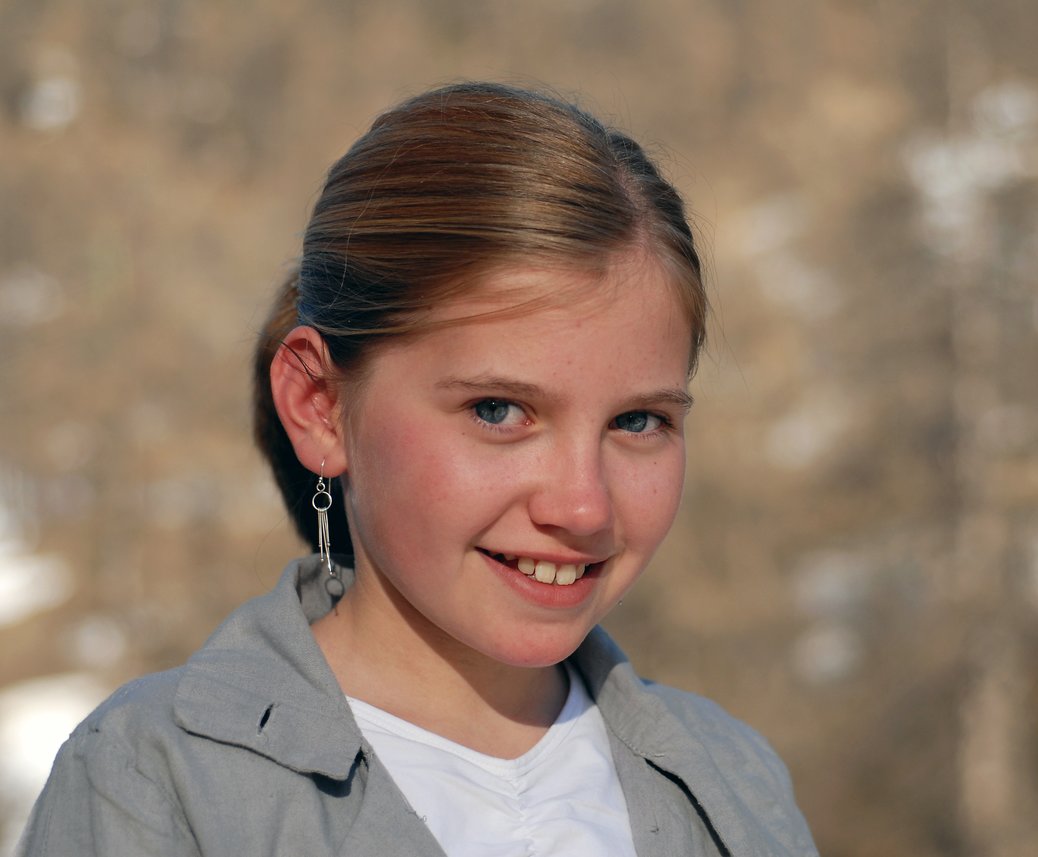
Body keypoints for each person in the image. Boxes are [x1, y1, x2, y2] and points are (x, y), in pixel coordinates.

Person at [18, 82, 818, 857]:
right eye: (499, 410)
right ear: (321, 406)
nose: (582, 505)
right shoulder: (157, 785)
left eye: (638, 421)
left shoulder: (732, 781)